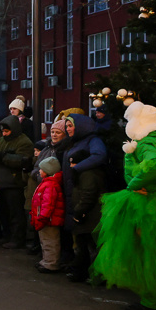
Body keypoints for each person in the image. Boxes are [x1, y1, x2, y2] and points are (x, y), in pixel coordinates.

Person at [93, 102, 156, 310]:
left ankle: (154, 302)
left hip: (148, 203)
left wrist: (134, 184)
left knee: (148, 251)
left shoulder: (147, 143)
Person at [61, 114, 107, 282]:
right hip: (74, 192)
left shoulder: (93, 140)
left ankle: (96, 273)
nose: (68, 129)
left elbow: (99, 155)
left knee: (90, 240)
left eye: (70, 125)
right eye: (66, 126)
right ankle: (80, 269)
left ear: (81, 126)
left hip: (87, 197)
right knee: (80, 238)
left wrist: (78, 168)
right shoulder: (74, 142)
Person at [0, 115, 34, 249]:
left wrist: (2, 156)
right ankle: (6, 235)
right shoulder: (2, 140)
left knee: (15, 213)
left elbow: (23, 160)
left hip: (14, 183)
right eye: (3, 131)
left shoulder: (24, 142)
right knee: (3, 213)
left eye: (7, 131)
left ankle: (17, 238)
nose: (4, 134)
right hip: (0, 182)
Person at [31, 157, 65, 273]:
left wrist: (43, 217)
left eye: (41, 169)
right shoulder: (48, 183)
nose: (39, 171)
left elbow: (48, 203)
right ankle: (47, 261)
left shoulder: (50, 185)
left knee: (50, 242)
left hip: (48, 220)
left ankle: (51, 264)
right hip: (46, 218)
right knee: (46, 241)